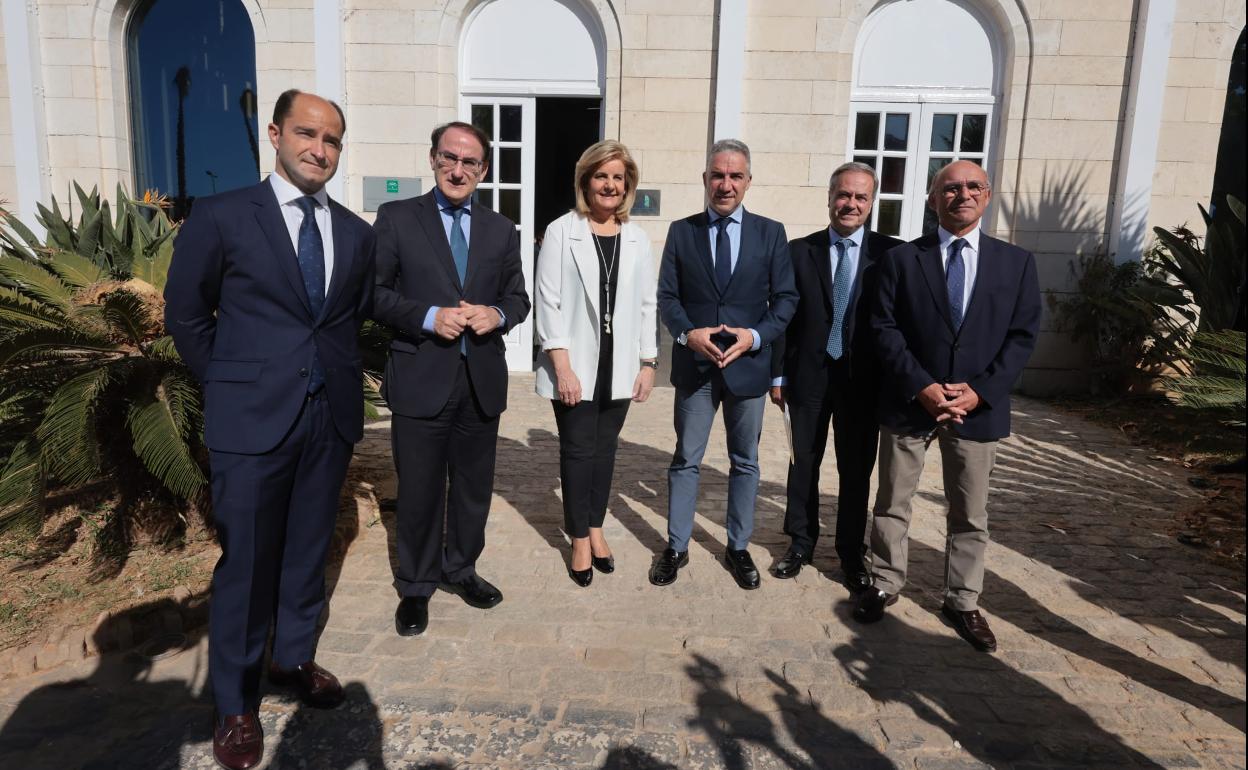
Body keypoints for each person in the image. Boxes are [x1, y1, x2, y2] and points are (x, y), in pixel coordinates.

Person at [164, 89, 376, 770]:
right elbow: (187, 315)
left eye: (333, 140)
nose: (321, 149)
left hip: (328, 418)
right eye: (308, 134)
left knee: (309, 549)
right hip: (250, 422)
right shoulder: (223, 216)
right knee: (248, 562)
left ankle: (292, 660)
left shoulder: (354, 231)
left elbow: (349, 320)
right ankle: (234, 701)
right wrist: (229, 382)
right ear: (276, 134)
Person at [854, 160, 1041, 653]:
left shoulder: (1016, 263)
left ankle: (962, 600)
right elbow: (884, 328)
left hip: (978, 408)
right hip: (911, 401)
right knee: (892, 502)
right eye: (950, 188)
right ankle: (884, 582)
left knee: (970, 513)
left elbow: (1022, 338)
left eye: (972, 186)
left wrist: (981, 391)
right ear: (933, 199)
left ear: (987, 194)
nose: (962, 194)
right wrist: (921, 385)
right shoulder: (901, 260)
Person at [372, 121, 530, 636]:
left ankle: (460, 569)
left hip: (480, 380)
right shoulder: (397, 218)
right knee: (418, 488)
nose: (458, 169)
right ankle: (415, 586)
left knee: (471, 489)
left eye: (470, 162)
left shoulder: (501, 230)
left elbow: (517, 298)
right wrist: (427, 316)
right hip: (421, 375)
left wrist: (497, 316)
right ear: (433, 158)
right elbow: (373, 294)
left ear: (483, 170)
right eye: (449, 158)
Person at [652, 139, 798, 590]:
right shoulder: (682, 231)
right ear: (705, 180)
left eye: (736, 176)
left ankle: (738, 547)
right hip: (696, 369)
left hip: (748, 367)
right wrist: (687, 335)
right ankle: (676, 546)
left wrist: (754, 337)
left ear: (748, 182)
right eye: (718, 175)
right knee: (686, 459)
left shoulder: (770, 233)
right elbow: (668, 298)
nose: (726, 184)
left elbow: (786, 299)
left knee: (745, 462)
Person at [769, 162, 902, 590]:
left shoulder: (891, 255)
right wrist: (777, 376)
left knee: (856, 469)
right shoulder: (797, 251)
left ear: (871, 203)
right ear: (829, 198)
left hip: (862, 381)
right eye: (843, 195)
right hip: (807, 376)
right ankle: (801, 543)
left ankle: (850, 552)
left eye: (861, 197)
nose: (850, 204)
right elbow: (782, 318)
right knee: (803, 462)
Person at [534, 140, 659, 587]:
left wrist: (648, 363)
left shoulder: (638, 239)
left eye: (618, 178)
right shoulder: (560, 231)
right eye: (601, 176)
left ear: (628, 186)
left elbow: (647, 304)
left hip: (620, 363)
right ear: (586, 181)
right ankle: (578, 538)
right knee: (577, 450)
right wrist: (562, 366)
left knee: (605, 451)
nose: (610, 185)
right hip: (576, 363)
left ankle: (597, 527)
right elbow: (547, 302)